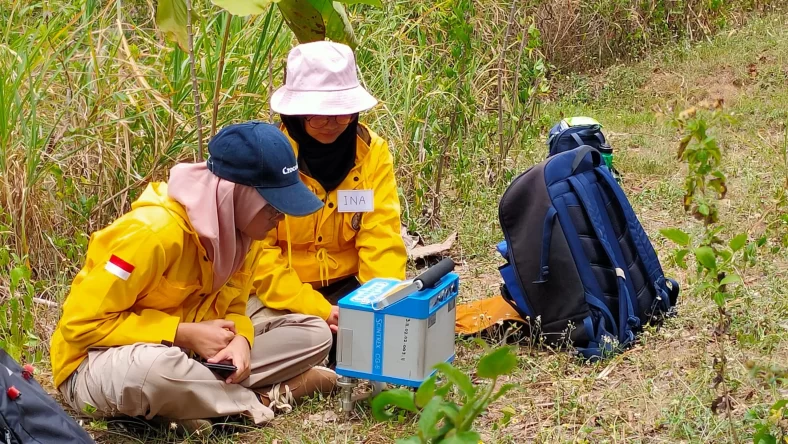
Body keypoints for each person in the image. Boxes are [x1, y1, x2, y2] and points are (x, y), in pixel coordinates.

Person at [50, 122, 336, 436]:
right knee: (156, 371)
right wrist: (180, 333)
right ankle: (256, 401)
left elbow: (235, 310)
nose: (280, 217)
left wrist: (241, 340)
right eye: (272, 207)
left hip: (192, 358)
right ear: (236, 194)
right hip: (98, 362)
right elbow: (80, 326)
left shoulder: (245, 237)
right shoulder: (151, 233)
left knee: (315, 333)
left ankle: (195, 403)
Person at [250, 41, 407, 365]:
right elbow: (259, 255)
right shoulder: (267, 158)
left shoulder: (372, 153)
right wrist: (316, 309)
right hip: (283, 294)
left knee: (389, 334)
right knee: (315, 339)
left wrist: (378, 304)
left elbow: (381, 236)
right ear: (293, 114)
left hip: (350, 288)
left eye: (341, 111)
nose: (332, 122)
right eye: (317, 115)